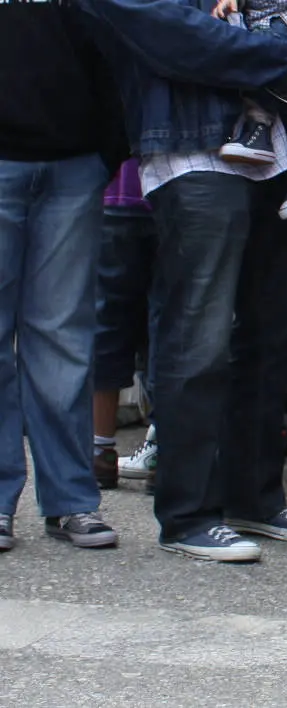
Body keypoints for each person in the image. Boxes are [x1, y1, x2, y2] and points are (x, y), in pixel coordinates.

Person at [79, 0, 287, 562]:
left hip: (273, 153)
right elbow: (171, 35)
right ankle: (187, 515)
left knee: (273, 329)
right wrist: (284, 61)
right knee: (199, 338)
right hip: (190, 148)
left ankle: (253, 499)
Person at [0, 0, 129, 552]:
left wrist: (108, 149)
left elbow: (114, 38)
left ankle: (72, 500)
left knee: (64, 338)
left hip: (74, 162)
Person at [212, 0, 287, 220]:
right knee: (284, 97)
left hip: (281, 21)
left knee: (262, 63)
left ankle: (259, 131)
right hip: (270, 23)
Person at [92, 159, 159, 493]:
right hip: (176, 190)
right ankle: (165, 448)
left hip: (116, 189)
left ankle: (99, 450)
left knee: (107, 322)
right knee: (171, 324)